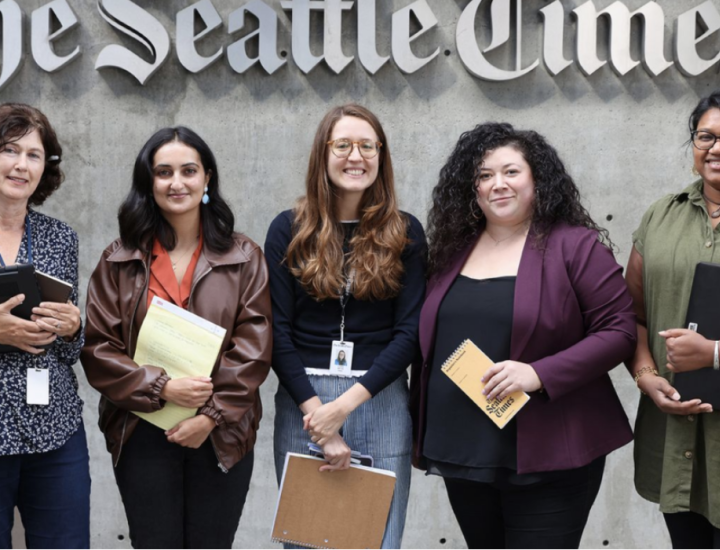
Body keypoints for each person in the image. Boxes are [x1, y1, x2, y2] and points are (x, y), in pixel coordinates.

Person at [411, 122, 636, 549]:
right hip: (465, 452)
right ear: (472, 188)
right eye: (484, 175)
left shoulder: (577, 246)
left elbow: (619, 330)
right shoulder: (451, 251)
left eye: (511, 172)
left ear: (537, 179)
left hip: (551, 452)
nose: (498, 184)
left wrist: (538, 374)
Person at [81, 126, 272, 549]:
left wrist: (209, 416)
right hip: (142, 427)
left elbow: (254, 349)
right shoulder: (118, 259)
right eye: (163, 172)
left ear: (207, 179)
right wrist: (163, 387)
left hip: (220, 431)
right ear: (148, 184)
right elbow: (97, 348)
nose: (176, 182)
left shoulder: (245, 257)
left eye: (189, 170)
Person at [265, 104, 426, 549]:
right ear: (323, 153)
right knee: (307, 540)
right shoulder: (289, 229)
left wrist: (343, 408)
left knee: (376, 539)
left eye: (367, 146)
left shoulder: (405, 232)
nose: (356, 156)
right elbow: (276, 331)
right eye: (343, 145)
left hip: (380, 398)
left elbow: (410, 333)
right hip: (304, 403)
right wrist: (320, 413)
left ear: (381, 155)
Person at [627, 91, 720, 549]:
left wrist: (714, 354)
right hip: (673, 437)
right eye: (707, 136)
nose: (717, 148)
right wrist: (645, 375)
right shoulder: (660, 216)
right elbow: (633, 315)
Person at [0, 103, 89, 549]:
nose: (21, 165)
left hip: (54, 431)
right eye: (9, 150)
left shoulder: (61, 237)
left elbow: (72, 352)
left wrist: (74, 328)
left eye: (34, 155)